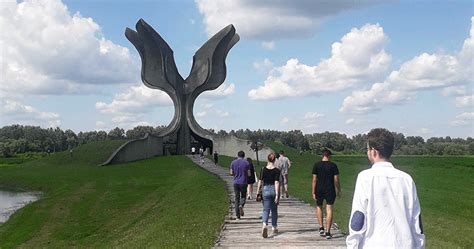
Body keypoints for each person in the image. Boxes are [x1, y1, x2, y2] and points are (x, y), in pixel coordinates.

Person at [346, 128, 425, 248]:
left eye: (367, 149)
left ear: (373, 151)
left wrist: (352, 246)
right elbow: (416, 223)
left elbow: (358, 220)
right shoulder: (407, 179)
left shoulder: (365, 177)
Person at [312, 148, 341, 240]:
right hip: (330, 189)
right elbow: (336, 179)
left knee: (319, 206)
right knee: (329, 209)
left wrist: (313, 191)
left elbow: (314, 180)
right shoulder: (333, 166)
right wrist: (339, 189)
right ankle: (328, 232)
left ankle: (321, 227)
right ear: (329, 156)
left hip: (319, 188)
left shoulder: (316, 165)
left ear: (322, 155)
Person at [256, 153, 280, 238]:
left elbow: (260, 181)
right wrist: (277, 195)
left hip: (265, 190)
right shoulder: (277, 170)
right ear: (274, 160)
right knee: (274, 210)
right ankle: (274, 227)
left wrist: (258, 191)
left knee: (266, 210)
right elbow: (276, 182)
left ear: (268, 159)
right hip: (273, 190)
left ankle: (264, 224)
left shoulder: (263, 169)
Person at [230, 151, 251, 220]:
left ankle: (237, 216)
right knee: (243, 196)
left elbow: (231, 173)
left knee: (236, 198)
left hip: (236, 182)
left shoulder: (233, 162)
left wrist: (235, 174)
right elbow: (249, 174)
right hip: (243, 182)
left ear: (238, 155)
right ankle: (241, 205)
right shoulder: (246, 163)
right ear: (244, 156)